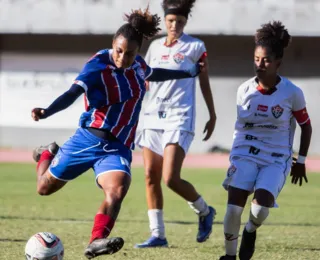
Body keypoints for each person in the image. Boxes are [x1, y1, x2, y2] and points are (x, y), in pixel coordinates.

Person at [30, 7, 203, 259]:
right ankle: (47, 153)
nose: (123, 57)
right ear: (113, 44)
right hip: (87, 139)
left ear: (138, 51)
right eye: (119, 51)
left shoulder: (139, 66)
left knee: (118, 190)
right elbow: (72, 94)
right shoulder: (97, 66)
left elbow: (155, 74)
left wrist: (186, 73)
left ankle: (96, 241)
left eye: (130, 53)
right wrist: (47, 111)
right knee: (43, 188)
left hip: (117, 146)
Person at [219, 21, 312, 260]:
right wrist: (236, 154)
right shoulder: (244, 90)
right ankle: (229, 256)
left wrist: (300, 161)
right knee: (232, 209)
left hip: (276, 158)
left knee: (259, 210)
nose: (260, 65)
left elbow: (306, 126)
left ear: (278, 62)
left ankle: (250, 230)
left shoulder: (292, 92)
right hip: (244, 153)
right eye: (257, 59)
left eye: (266, 60)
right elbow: (241, 127)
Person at [135, 0, 217, 248]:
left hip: (179, 116)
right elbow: (146, 80)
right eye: (171, 21)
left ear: (185, 22)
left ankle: (204, 211)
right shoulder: (155, 46)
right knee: (150, 176)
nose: (175, 25)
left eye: (180, 22)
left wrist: (212, 114)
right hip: (152, 115)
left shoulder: (196, 46)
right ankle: (158, 235)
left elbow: (203, 80)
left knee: (170, 178)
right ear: (165, 20)